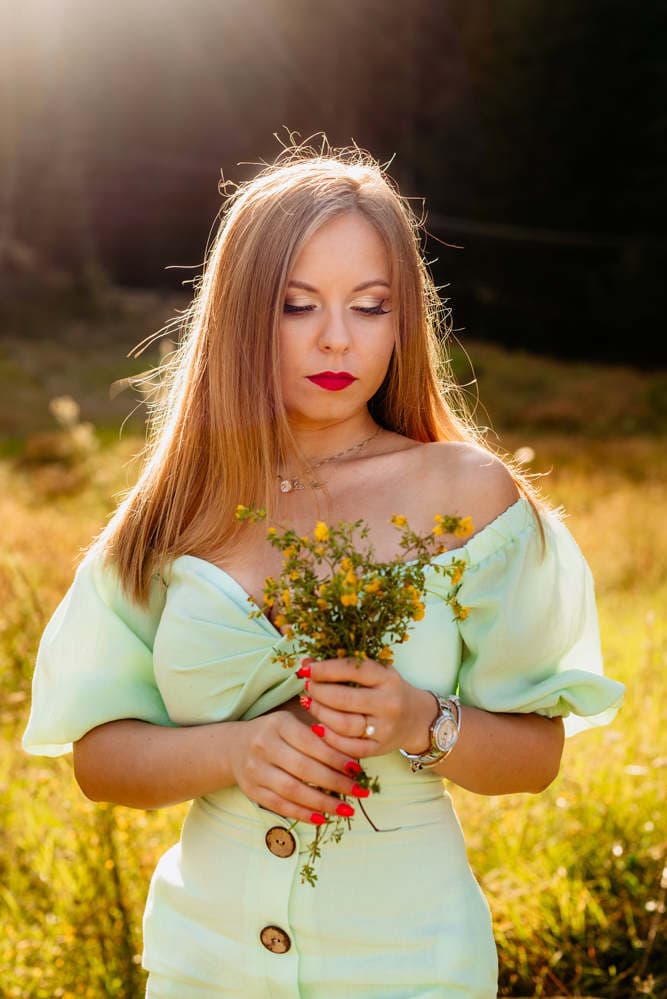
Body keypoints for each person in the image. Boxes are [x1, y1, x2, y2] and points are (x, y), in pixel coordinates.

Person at [23, 136, 625, 999]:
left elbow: (534, 754)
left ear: (402, 319)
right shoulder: (180, 506)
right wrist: (235, 749)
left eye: (370, 306)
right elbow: (100, 757)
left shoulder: (467, 495)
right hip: (202, 963)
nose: (336, 339)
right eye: (297, 304)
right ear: (241, 314)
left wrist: (418, 718)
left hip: (408, 965)